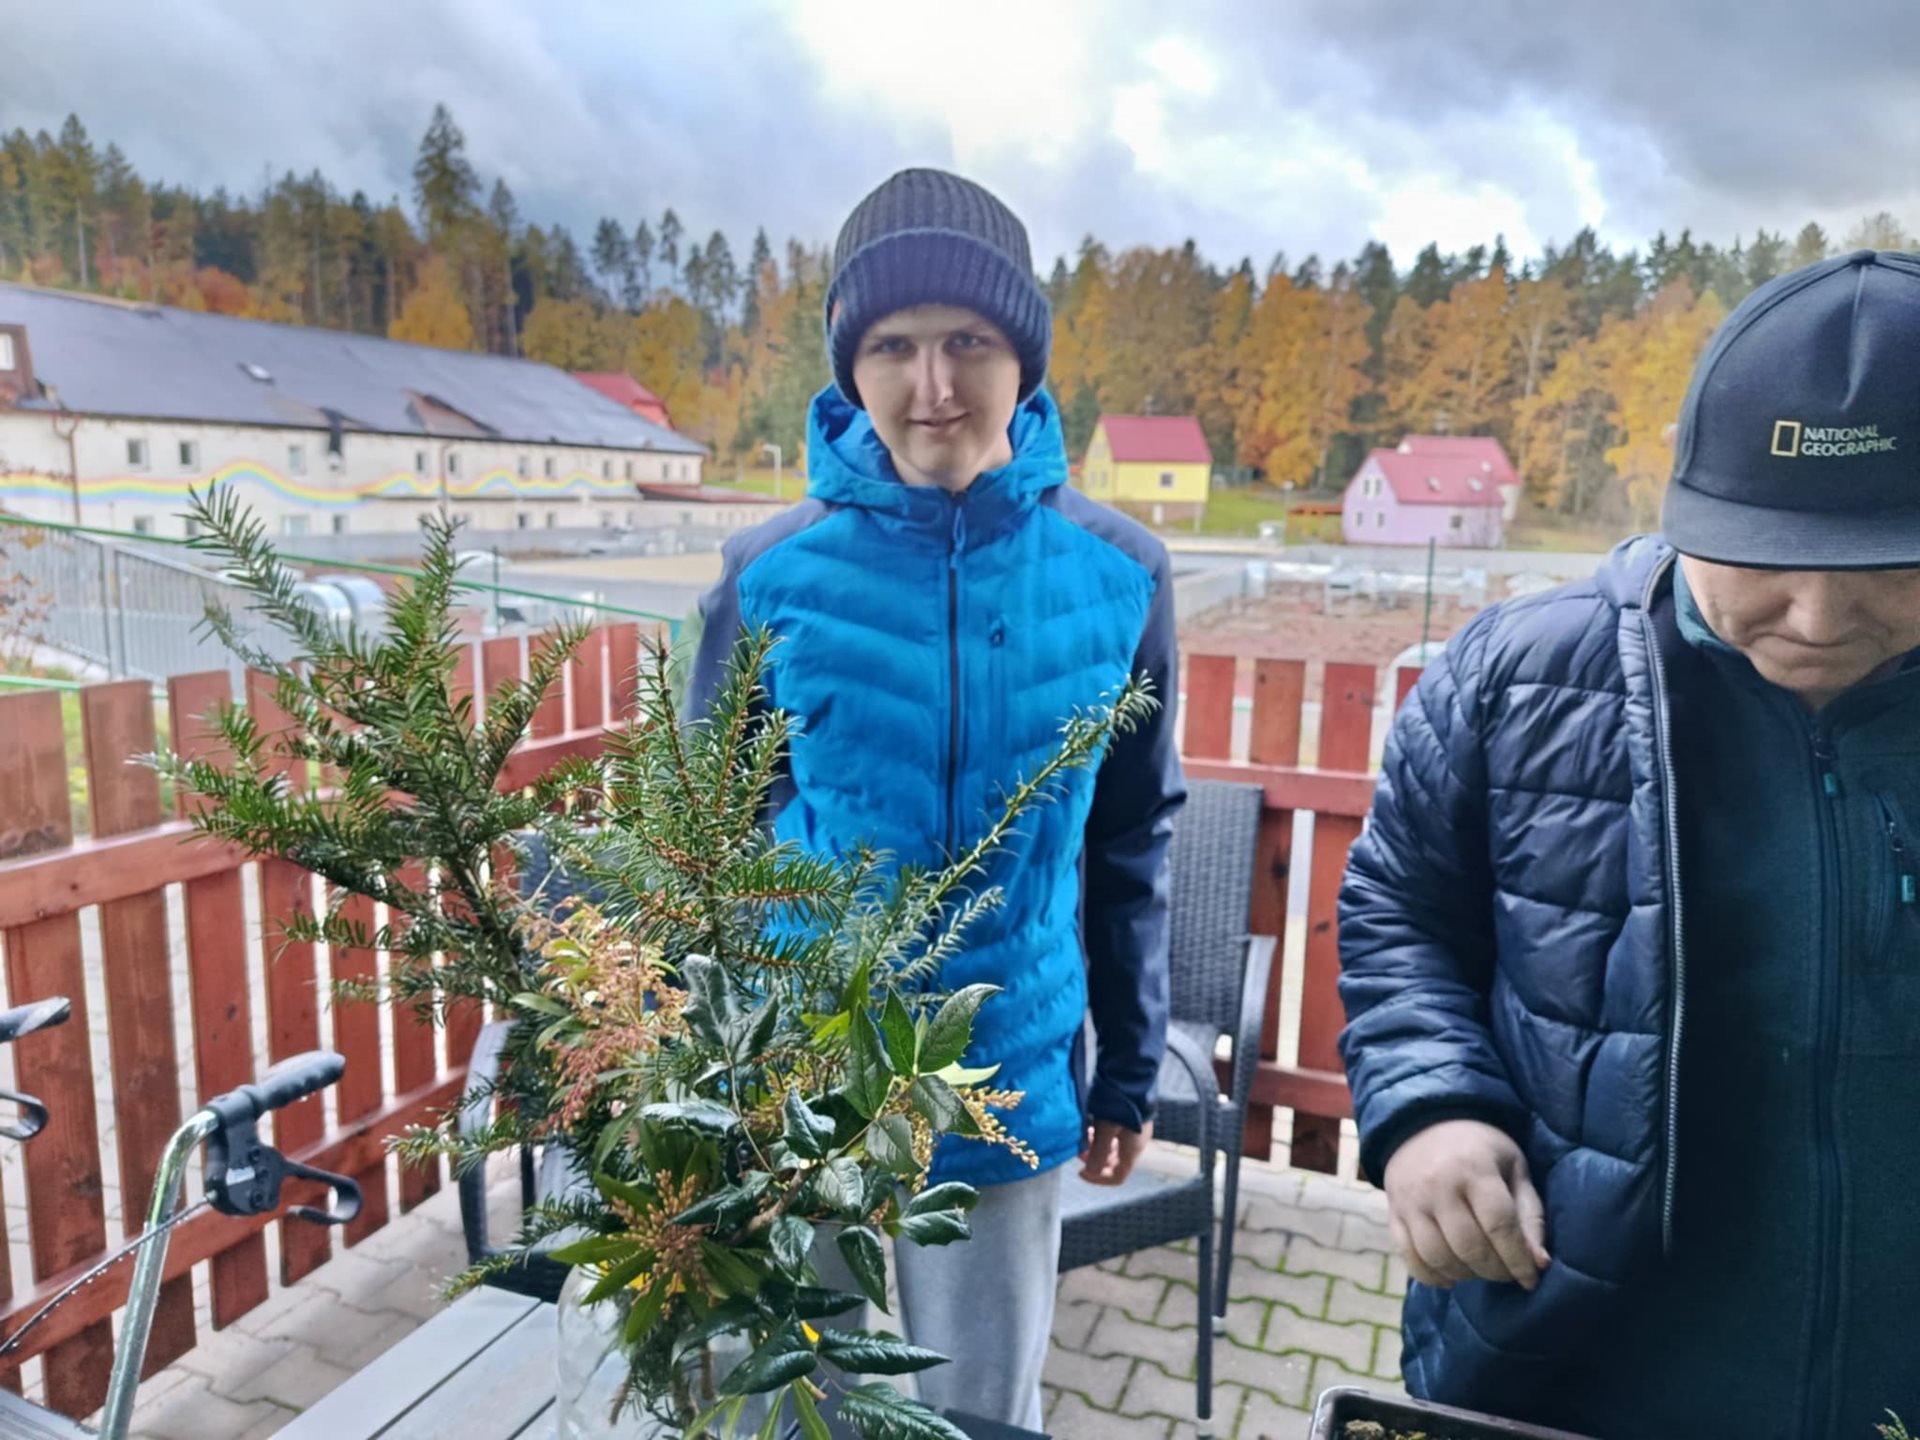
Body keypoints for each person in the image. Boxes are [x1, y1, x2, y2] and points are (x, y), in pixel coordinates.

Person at [1336, 249, 1920, 1438]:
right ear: (1687, 500)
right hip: (1575, 1366)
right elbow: (1397, 911)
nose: (1817, 616)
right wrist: (1428, 1107)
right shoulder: (1517, 674)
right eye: (1767, 552)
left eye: (1889, 566)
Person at [679, 167, 1185, 1430]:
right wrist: (696, 1067)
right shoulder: (768, 575)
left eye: (969, 342)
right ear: (851, 365)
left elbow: (1131, 839)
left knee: (982, 1412)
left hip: (1008, 1071)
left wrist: (1127, 1069)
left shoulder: (1121, 575)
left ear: (1025, 359)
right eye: (894, 347)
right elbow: (700, 841)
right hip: (802, 1080)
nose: (934, 385)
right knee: (809, 1404)